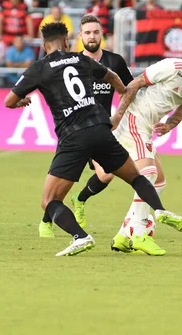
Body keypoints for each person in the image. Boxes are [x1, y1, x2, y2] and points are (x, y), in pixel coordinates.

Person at [4, 22, 182, 256]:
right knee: (135, 177)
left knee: (49, 200)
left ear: (44, 46)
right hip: (101, 128)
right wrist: (123, 93)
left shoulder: (39, 68)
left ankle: (80, 236)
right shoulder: (80, 59)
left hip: (73, 136)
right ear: (66, 41)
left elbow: (8, 101)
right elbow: (112, 76)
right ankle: (160, 210)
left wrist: (21, 101)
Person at [105, 57, 182, 255]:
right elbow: (134, 84)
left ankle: (124, 235)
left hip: (146, 128)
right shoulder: (172, 67)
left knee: (159, 182)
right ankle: (139, 235)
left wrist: (169, 125)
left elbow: (181, 112)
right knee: (148, 174)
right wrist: (118, 115)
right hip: (134, 119)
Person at [38, 14, 134, 237]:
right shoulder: (71, 62)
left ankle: (80, 200)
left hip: (103, 129)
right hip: (75, 130)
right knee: (63, 182)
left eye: (96, 32)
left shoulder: (115, 61)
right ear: (80, 36)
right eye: (87, 33)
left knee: (107, 174)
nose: (92, 36)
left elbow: (128, 90)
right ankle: (46, 220)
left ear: (103, 35)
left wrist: (119, 116)